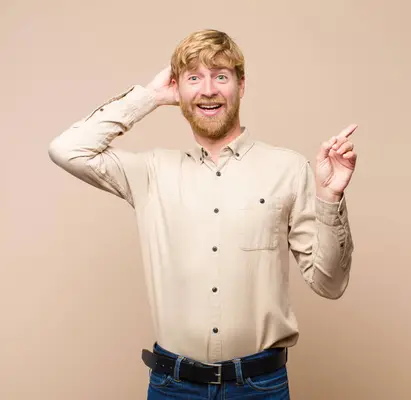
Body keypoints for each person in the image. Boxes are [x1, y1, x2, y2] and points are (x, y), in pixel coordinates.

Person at [48, 29, 357, 400]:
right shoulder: (151, 172)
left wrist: (329, 197)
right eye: (194, 78)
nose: (208, 90)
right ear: (178, 89)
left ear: (241, 86)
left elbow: (330, 283)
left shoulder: (288, 168)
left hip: (260, 387)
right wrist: (148, 97)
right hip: (172, 387)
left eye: (220, 76)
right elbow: (67, 149)